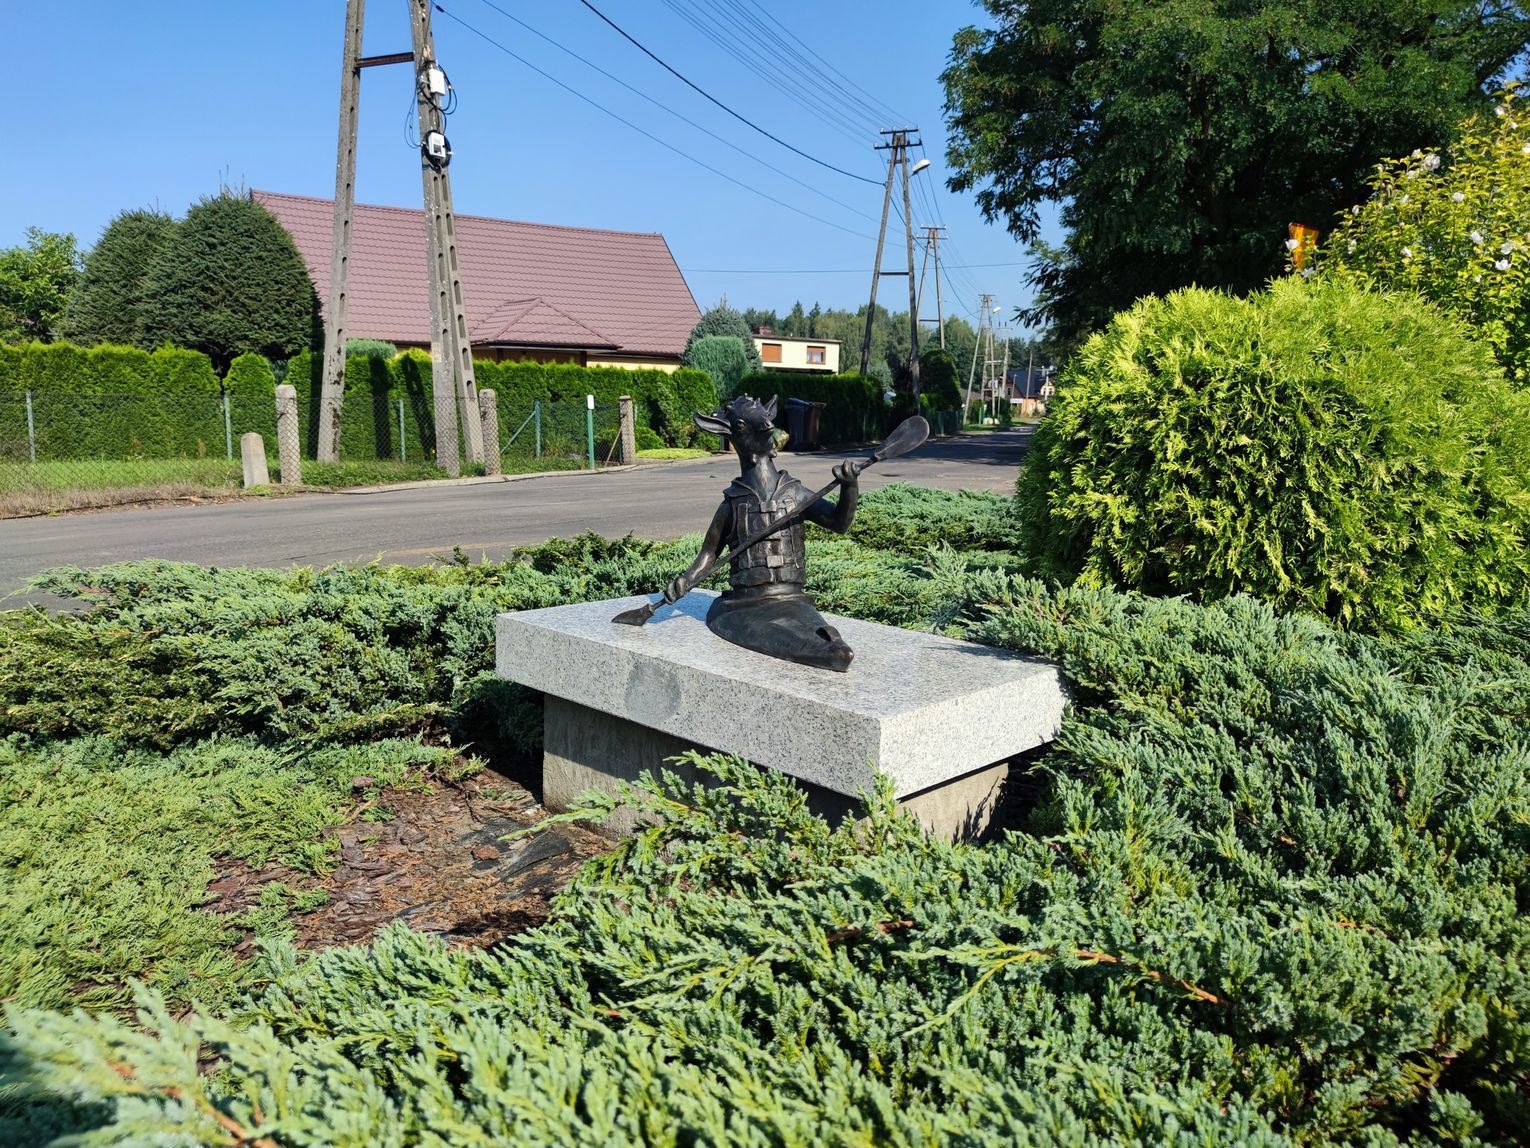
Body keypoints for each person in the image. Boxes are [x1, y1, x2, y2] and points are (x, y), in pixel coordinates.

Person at [659, 394, 861, 671]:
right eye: (744, 426)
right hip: (742, 605)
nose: (766, 428)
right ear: (731, 434)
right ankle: (827, 650)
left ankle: (828, 648)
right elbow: (710, 552)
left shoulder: (795, 494)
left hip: (792, 598)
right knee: (818, 647)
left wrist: (849, 487)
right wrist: (687, 579)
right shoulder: (732, 503)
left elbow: (838, 522)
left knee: (827, 643)